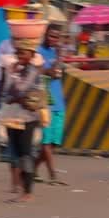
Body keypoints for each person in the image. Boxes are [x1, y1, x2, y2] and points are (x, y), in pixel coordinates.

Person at [0, 41, 45, 203]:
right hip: (13, 116)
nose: (20, 56)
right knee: (17, 154)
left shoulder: (32, 71)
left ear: (31, 55)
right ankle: (23, 190)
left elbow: (20, 90)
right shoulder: (14, 70)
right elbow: (6, 91)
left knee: (26, 153)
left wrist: (12, 96)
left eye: (23, 53)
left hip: (28, 117)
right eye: (18, 53)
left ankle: (28, 192)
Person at [37, 27, 68, 185]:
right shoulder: (38, 52)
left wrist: (59, 58)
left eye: (56, 37)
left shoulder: (57, 54)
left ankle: (33, 169)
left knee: (54, 143)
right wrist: (57, 59)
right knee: (46, 142)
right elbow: (48, 72)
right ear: (45, 35)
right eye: (51, 36)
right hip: (44, 102)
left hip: (59, 102)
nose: (53, 40)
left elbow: (59, 72)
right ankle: (53, 175)